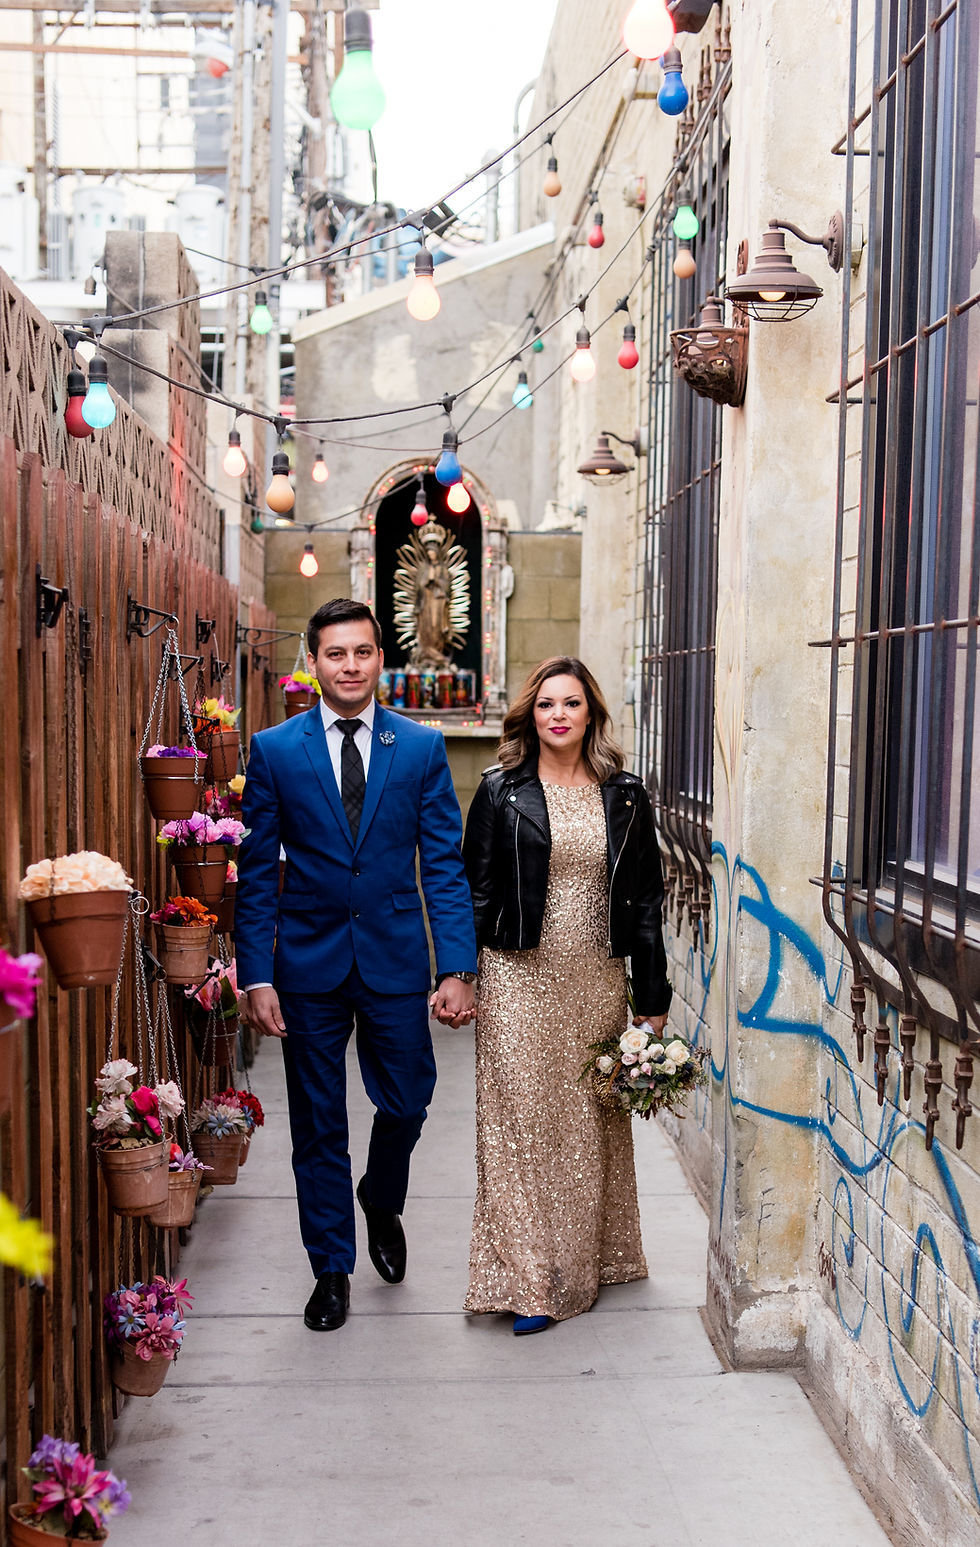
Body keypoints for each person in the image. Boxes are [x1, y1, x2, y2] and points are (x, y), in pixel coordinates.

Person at [235, 598, 477, 1333]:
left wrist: (456, 966)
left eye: (362, 652)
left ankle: (379, 1192)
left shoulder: (420, 747)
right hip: (306, 963)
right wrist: (256, 971)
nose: (349, 665)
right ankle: (331, 1269)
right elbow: (254, 871)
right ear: (313, 661)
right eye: (335, 653)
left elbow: (442, 864)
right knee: (317, 1124)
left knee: (407, 1098)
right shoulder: (275, 749)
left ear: (380, 659)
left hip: (396, 956)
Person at [462, 657, 672, 1335]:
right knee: (518, 1122)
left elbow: (645, 904)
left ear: (591, 714)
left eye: (572, 703)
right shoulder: (500, 791)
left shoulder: (627, 794)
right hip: (517, 972)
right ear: (531, 713)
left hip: (595, 978)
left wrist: (652, 993)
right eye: (547, 703)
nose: (558, 714)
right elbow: (477, 888)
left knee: (585, 1122)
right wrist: (461, 974)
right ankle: (527, 1281)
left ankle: (594, 1257)